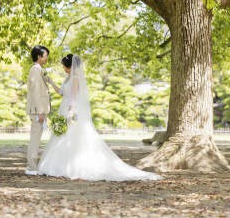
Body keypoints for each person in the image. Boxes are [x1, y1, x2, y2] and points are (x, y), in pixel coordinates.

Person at [38, 54, 162, 181]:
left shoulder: (75, 77)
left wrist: (71, 112)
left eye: (65, 66)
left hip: (71, 110)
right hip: (64, 109)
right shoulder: (68, 78)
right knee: (62, 136)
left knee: (73, 136)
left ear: (70, 66)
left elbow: (74, 97)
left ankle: (73, 167)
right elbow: (61, 92)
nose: (64, 68)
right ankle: (61, 165)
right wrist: (51, 82)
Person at [25, 45, 60, 175]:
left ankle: (33, 166)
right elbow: (34, 91)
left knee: (37, 137)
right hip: (36, 110)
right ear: (39, 56)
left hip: (40, 110)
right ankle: (31, 167)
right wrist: (40, 111)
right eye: (45, 55)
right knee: (35, 138)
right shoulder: (35, 69)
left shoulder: (40, 70)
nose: (47, 58)